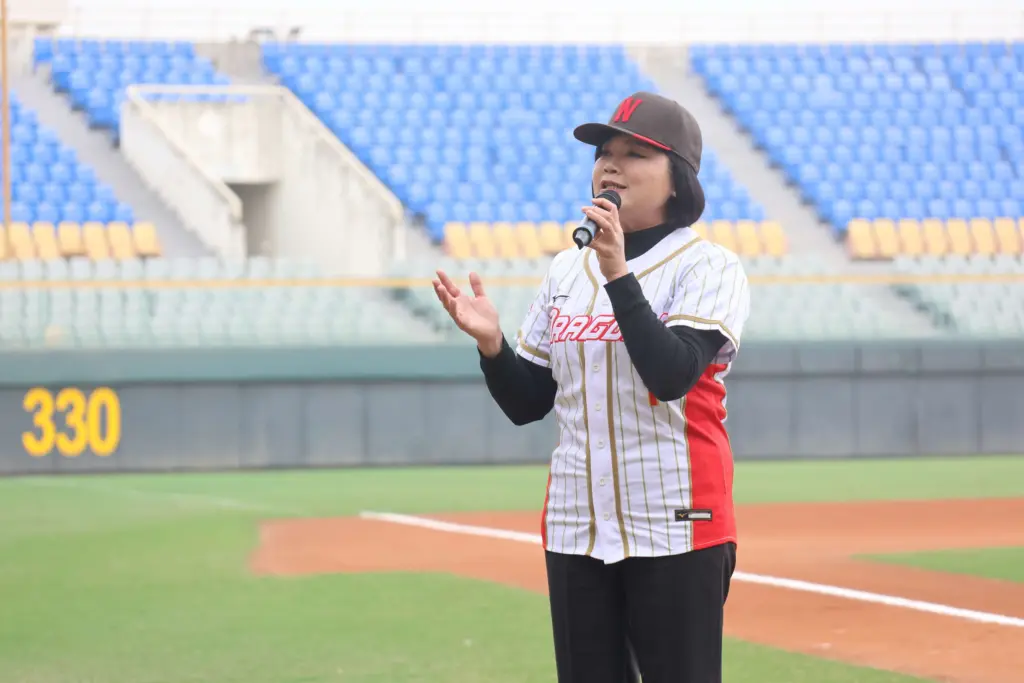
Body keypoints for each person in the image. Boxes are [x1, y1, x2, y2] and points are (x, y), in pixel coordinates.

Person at [432, 91, 751, 683]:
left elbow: (672, 375)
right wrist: (493, 346)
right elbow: (528, 403)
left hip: (678, 522)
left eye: (635, 154)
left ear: (678, 179)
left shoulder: (708, 266)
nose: (611, 166)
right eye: (604, 153)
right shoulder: (565, 269)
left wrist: (618, 276)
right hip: (578, 525)